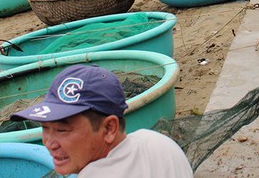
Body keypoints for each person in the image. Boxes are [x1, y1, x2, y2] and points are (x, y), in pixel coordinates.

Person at [12, 65, 193, 177]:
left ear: (109, 128)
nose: (49, 143)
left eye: (61, 130)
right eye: (45, 128)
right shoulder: (157, 142)